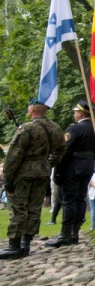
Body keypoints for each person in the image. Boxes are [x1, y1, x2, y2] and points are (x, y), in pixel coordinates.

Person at [0, 99, 65, 260]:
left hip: (24, 173)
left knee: (18, 208)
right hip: (42, 172)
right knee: (34, 208)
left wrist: (7, 177)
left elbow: (14, 154)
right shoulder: (56, 128)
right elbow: (61, 150)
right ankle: (26, 243)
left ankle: (14, 246)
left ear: (33, 110)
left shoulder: (28, 128)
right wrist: (48, 163)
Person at [46, 101, 95, 248]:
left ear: (80, 114)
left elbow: (64, 150)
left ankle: (65, 234)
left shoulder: (75, 129)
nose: (74, 114)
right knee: (80, 199)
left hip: (72, 168)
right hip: (87, 167)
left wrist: (58, 171)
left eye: (75, 112)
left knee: (69, 200)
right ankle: (74, 233)